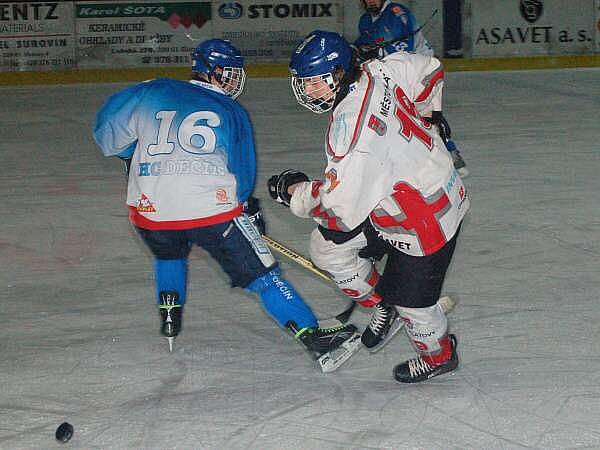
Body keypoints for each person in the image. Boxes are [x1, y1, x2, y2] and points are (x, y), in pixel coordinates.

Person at [92, 38, 360, 372]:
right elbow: (241, 175)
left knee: (168, 252)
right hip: (210, 213)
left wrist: (129, 155)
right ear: (210, 71)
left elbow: (106, 129)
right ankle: (314, 339)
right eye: (228, 72)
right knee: (264, 276)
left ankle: (170, 318)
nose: (234, 79)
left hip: (149, 215)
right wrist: (249, 208)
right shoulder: (230, 110)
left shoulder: (155, 90)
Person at [268, 30, 470, 383]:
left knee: (416, 308)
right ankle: (382, 304)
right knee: (326, 249)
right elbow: (429, 69)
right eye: (305, 82)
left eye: (315, 82)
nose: (308, 91)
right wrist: (428, 115)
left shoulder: (352, 132)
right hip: (398, 196)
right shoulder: (379, 69)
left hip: (425, 219)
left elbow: (340, 210)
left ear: (337, 74)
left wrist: (294, 192)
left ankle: (440, 356)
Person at [354, 0, 468, 176]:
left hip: (420, 70)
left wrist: (374, 52)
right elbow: (363, 45)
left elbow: (404, 51)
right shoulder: (365, 21)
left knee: (426, 114)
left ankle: (451, 152)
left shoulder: (398, 14)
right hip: (392, 72)